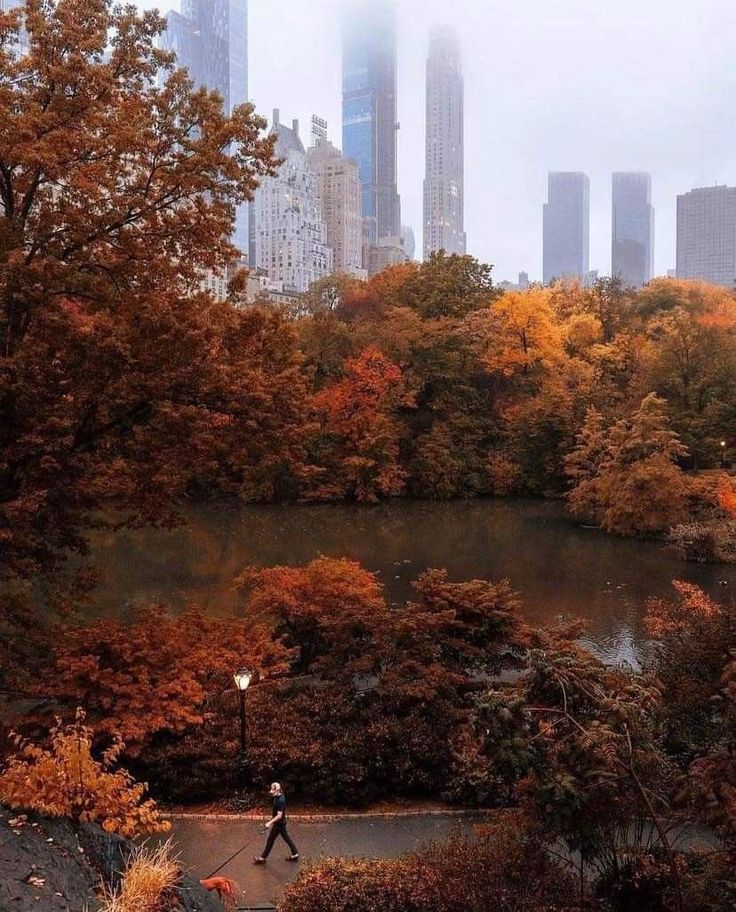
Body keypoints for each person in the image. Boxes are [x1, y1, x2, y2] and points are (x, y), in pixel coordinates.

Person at [253, 782, 299, 864]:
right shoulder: (277, 796)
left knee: (270, 840)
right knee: (286, 838)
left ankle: (262, 858)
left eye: (273, 791)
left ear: (277, 790)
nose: (272, 793)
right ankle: (295, 854)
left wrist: (269, 823)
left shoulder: (280, 801)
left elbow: (279, 815)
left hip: (279, 824)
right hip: (280, 823)